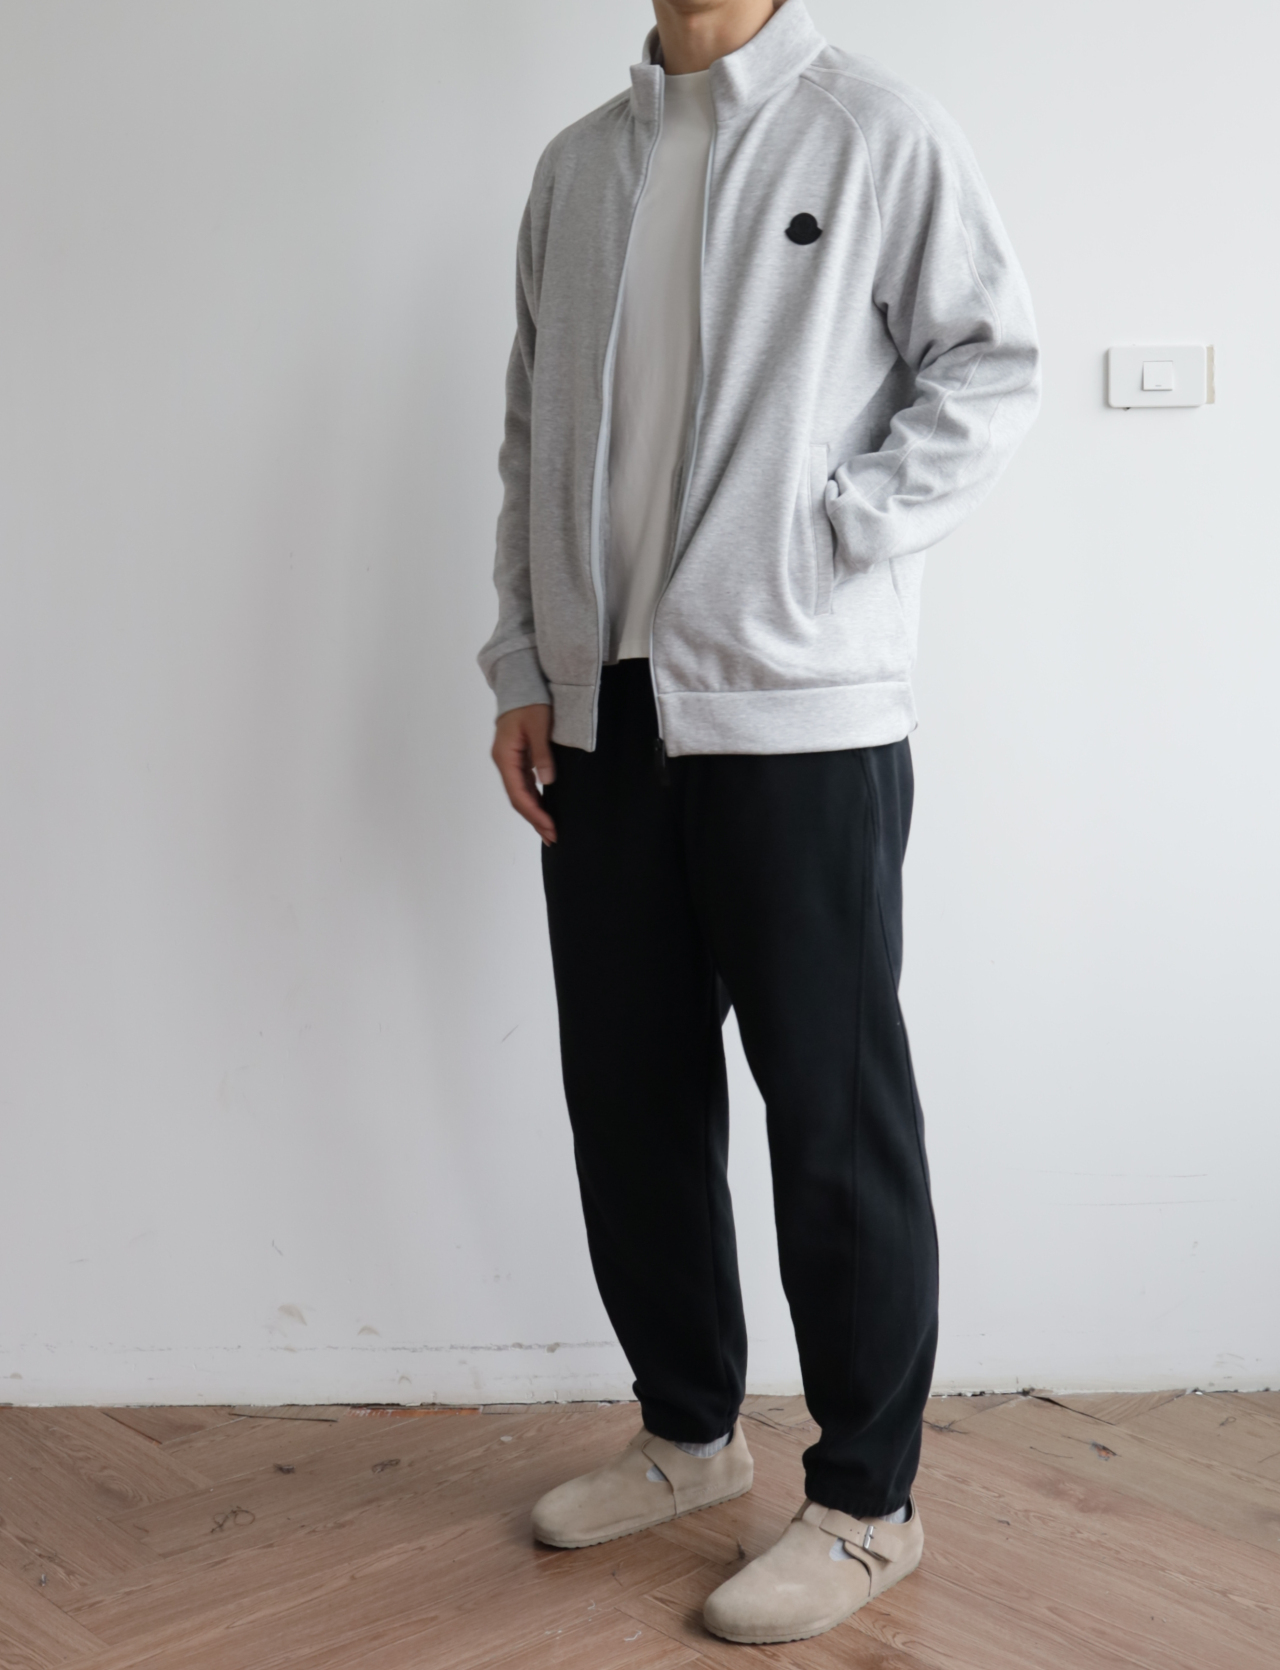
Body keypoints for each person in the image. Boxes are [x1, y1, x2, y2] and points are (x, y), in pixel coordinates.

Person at [478, 0, 1039, 1645]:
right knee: (630, 1098)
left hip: (801, 712)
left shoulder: (875, 128)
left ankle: (867, 1502)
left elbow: (991, 361)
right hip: (603, 711)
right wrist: (523, 661)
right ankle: (687, 1434)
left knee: (835, 1120)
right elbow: (531, 434)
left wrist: (835, 529)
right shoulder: (577, 168)